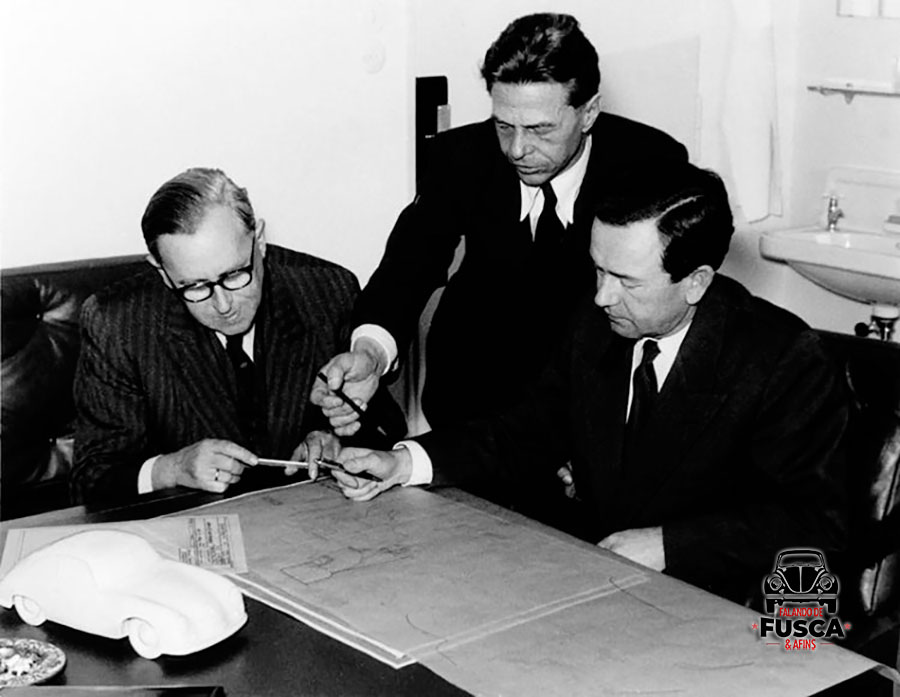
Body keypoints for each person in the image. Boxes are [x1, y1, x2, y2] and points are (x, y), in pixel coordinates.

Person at [327, 162, 848, 602]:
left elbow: (822, 525)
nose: (602, 297)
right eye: (599, 270)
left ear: (696, 282)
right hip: (602, 583)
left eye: (626, 281)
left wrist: (670, 545)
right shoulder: (598, 324)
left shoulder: (782, 359)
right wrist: (405, 462)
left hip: (720, 606)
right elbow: (526, 431)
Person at [312, 12, 688, 438]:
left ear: (588, 113)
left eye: (540, 129)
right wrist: (371, 352)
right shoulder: (461, 157)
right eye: (504, 126)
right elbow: (408, 266)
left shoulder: (650, 164)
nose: (517, 150)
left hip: (591, 411)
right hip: (470, 401)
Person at [71, 167, 403, 505]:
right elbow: (92, 479)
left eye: (234, 275)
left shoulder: (326, 291)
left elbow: (387, 428)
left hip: (310, 516)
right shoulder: (118, 323)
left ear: (259, 240)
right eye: (194, 286)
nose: (223, 304)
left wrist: (335, 441)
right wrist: (170, 470)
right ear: (162, 271)